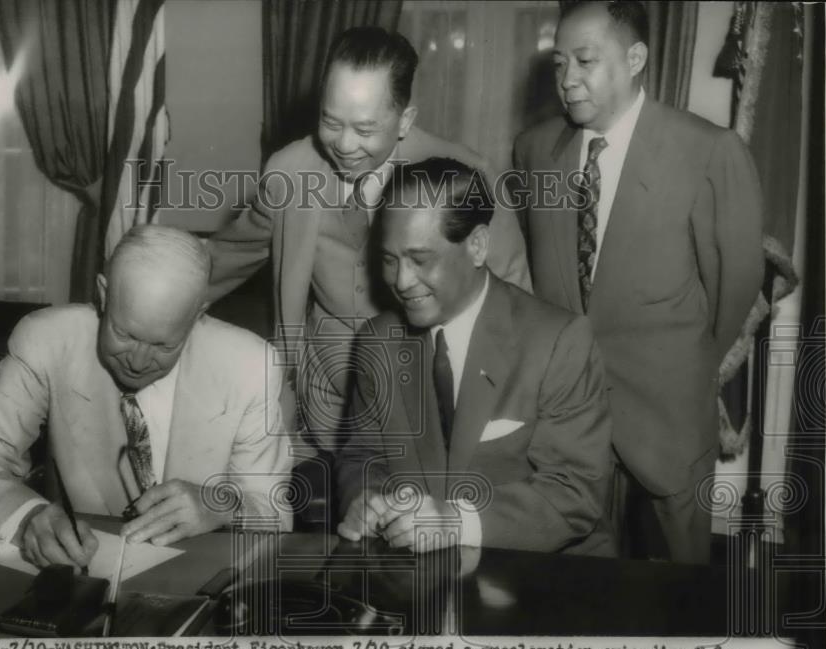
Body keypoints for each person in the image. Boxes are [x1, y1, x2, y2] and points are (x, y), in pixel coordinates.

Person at [512, 1, 764, 563]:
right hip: (568, 414)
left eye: (584, 60)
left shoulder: (708, 152)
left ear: (635, 59)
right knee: (573, 586)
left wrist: (684, 362)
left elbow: (735, 286)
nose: (567, 79)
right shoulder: (532, 152)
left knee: (682, 590)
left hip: (668, 411)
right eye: (558, 64)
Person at [208, 26, 529, 454]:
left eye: (364, 129)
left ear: (405, 121)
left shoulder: (467, 175)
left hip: (427, 406)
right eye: (330, 121)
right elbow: (229, 255)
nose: (343, 145)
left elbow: (514, 298)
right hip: (324, 407)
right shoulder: (289, 172)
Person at [0, 226, 291, 569]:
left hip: (203, 577)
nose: (137, 361)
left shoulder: (249, 365)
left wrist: (220, 505)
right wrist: (24, 520)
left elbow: (276, 509)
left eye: (163, 345)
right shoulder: (48, 341)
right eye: (125, 334)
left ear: (197, 317)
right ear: (103, 295)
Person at [336, 158, 613, 556]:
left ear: (478, 245)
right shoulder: (377, 342)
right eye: (390, 260)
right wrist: (367, 498)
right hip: (419, 579)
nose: (400, 282)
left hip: (540, 576)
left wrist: (455, 521)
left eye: (420, 259)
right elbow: (361, 456)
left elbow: (576, 491)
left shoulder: (559, 342)